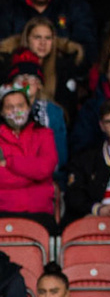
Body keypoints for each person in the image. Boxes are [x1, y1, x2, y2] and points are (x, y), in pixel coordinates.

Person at [0, 81, 55, 229]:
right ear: (2, 112)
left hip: (40, 211)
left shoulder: (44, 134)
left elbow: (44, 169)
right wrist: (32, 175)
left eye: (20, 106)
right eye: (9, 107)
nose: (16, 111)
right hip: (4, 211)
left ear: (29, 108)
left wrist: (10, 163)